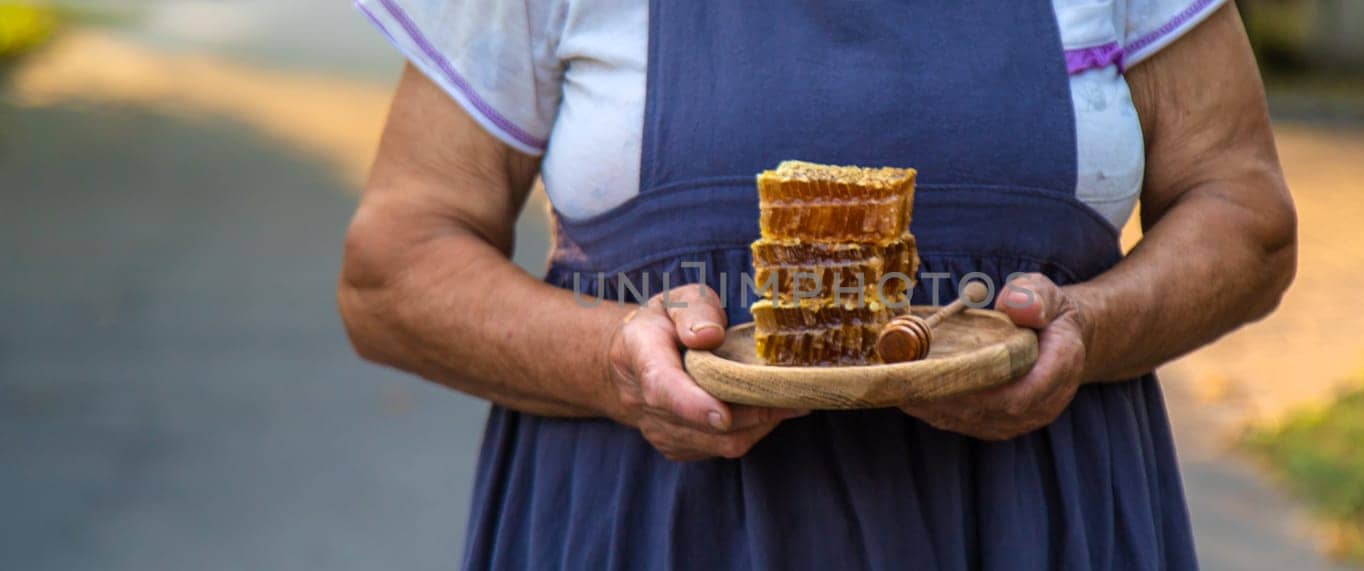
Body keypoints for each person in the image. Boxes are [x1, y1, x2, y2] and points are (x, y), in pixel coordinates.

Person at [340, 0, 1296, 568]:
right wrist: (611, 363)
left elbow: (1244, 212)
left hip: (1031, 526)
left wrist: (1092, 325)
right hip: (654, 528)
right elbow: (394, 269)